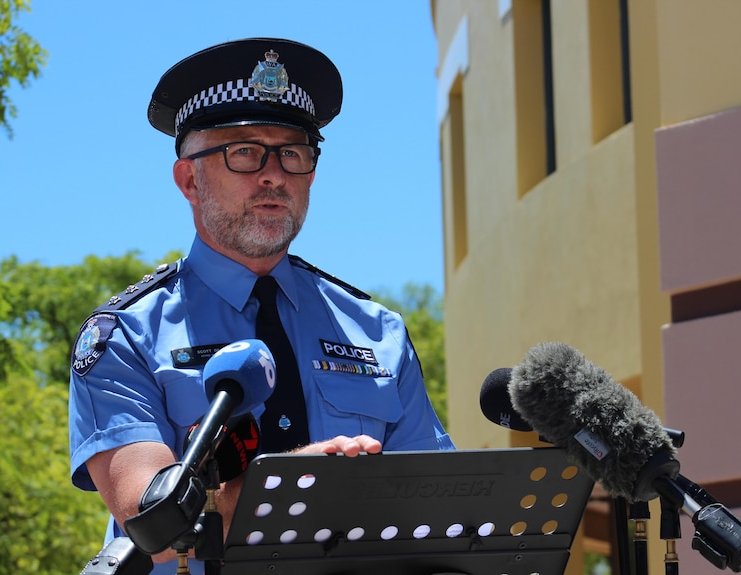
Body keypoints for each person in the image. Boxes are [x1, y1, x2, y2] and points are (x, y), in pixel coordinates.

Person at [68, 38, 454, 575]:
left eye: (292, 153)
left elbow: (438, 512)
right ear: (189, 180)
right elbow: (151, 522)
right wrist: (287, 487)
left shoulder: (376, 333)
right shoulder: (127, 336)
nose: (274, 174)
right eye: (244, 152)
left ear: (312, 173)